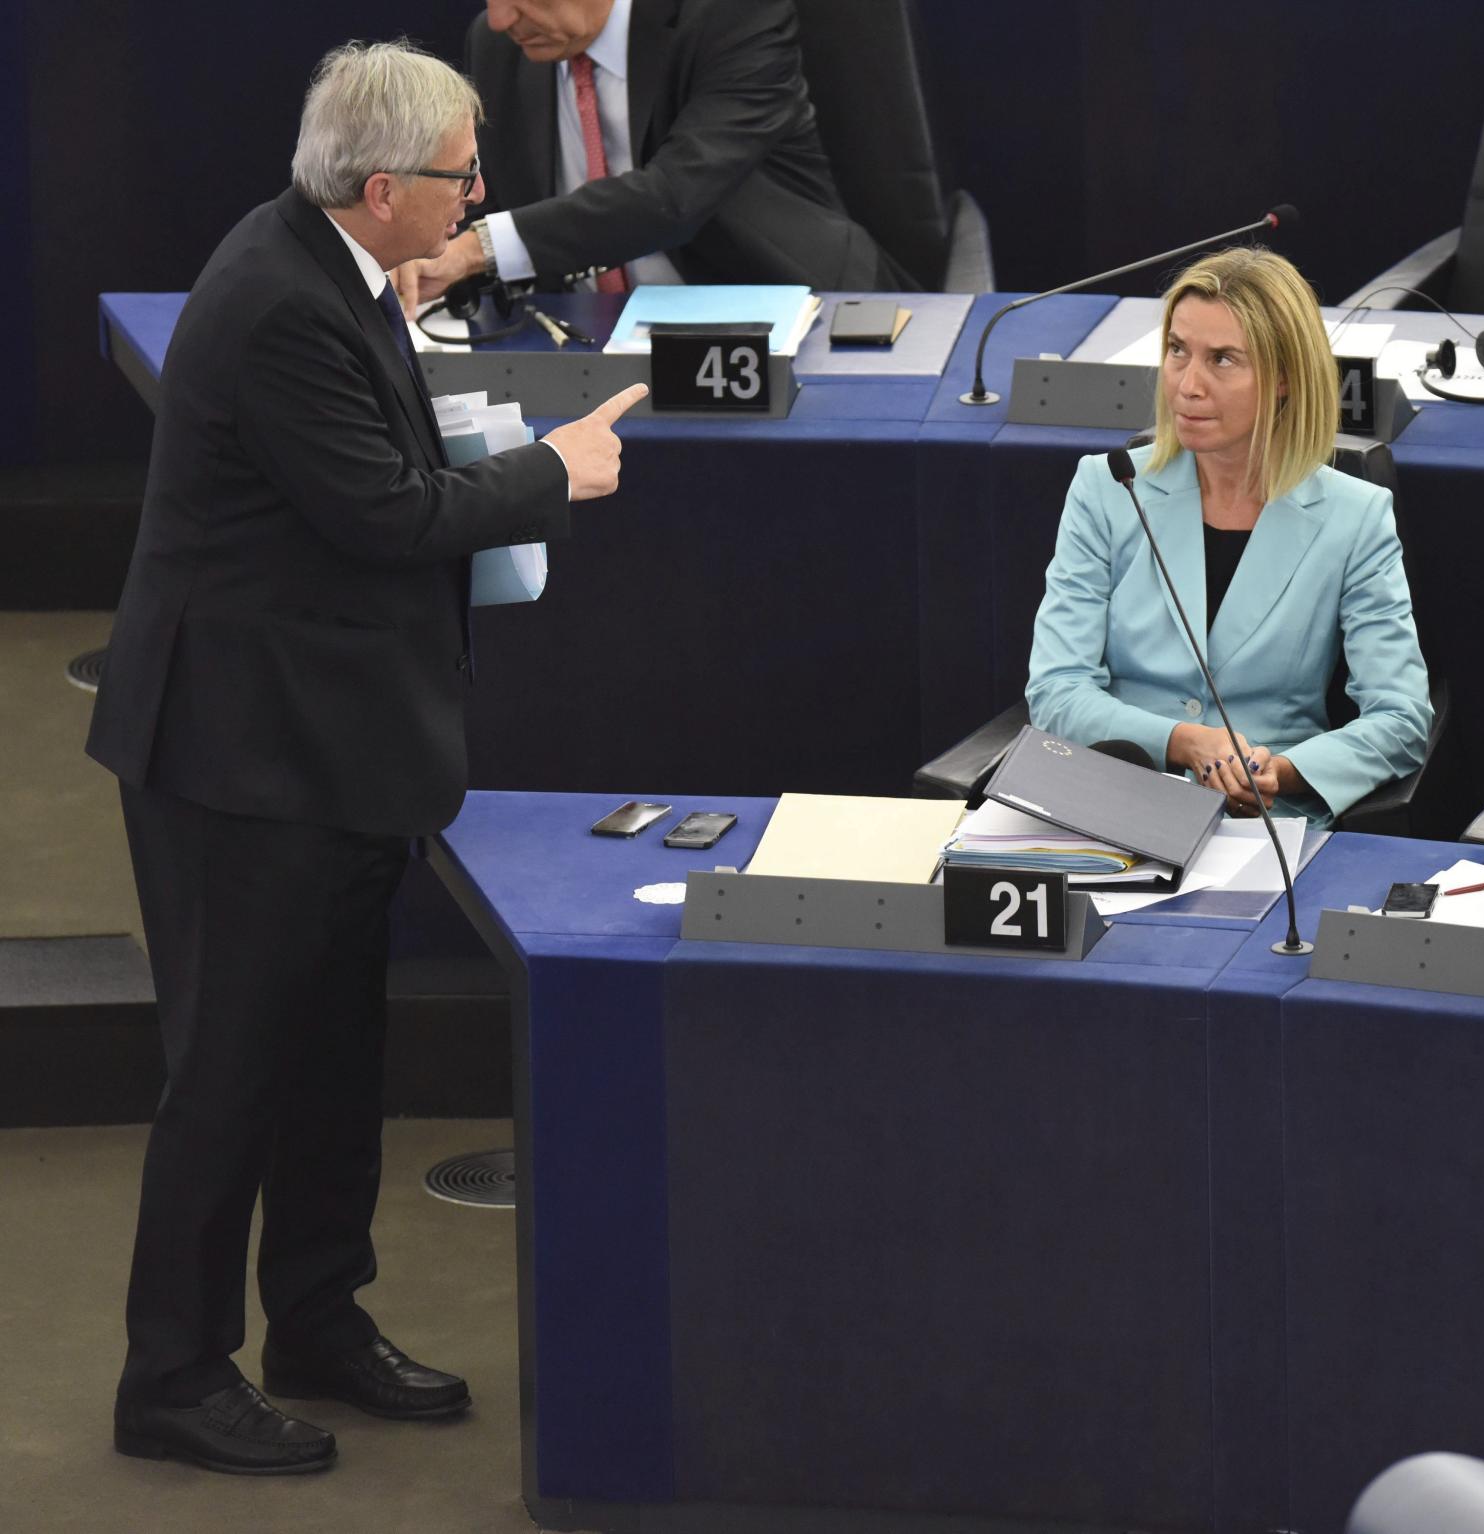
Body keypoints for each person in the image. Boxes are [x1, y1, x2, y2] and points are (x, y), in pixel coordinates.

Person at [86, 40, 647, 1476]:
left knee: (332, 1055)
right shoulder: (280, 303)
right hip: (237, 758)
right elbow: (385, 513)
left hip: (322, 745)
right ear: (381, 186)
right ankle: (173, 1373)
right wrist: (553, 471)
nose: (481, 196)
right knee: (231, 1072)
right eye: (463, 176)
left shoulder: (338, 267)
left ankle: (317, 1320)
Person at [1025, 247, 1433, 827]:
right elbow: (1057, 689)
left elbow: (1400, 719)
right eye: (1177, 351)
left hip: (1262, 824)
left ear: (1285, 377)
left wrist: (1281, 772)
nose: (1187, 385)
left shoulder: (1355, 517)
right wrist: (1185, 741)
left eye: (1222, 359)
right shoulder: (1107, 487)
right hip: (1109, 800)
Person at [409, 0, 901, 302]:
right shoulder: (498, 46)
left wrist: (478, 249)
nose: (501, 18)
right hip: (580, 337)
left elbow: (675, 196)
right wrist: (418, 255)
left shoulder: (730, 17)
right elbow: (489, 202)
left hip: (786, 310)